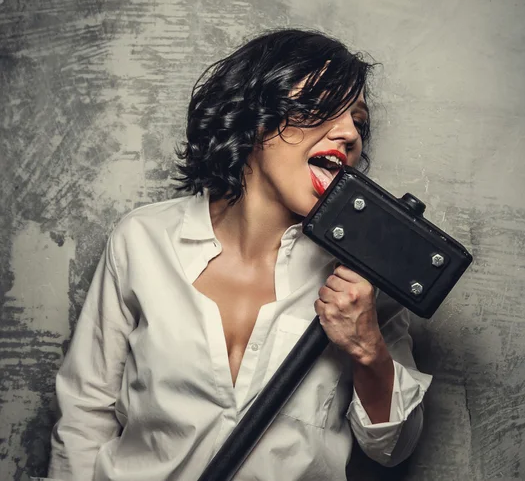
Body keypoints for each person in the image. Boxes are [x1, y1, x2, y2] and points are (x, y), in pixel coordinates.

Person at [42, 29, 432, 481]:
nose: (348, 134)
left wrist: (368, 349)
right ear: (253, 117)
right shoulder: (142, 241)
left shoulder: (366, 275)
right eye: (319, 107)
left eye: (358, 122)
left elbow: (394, 449)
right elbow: (83, 416)